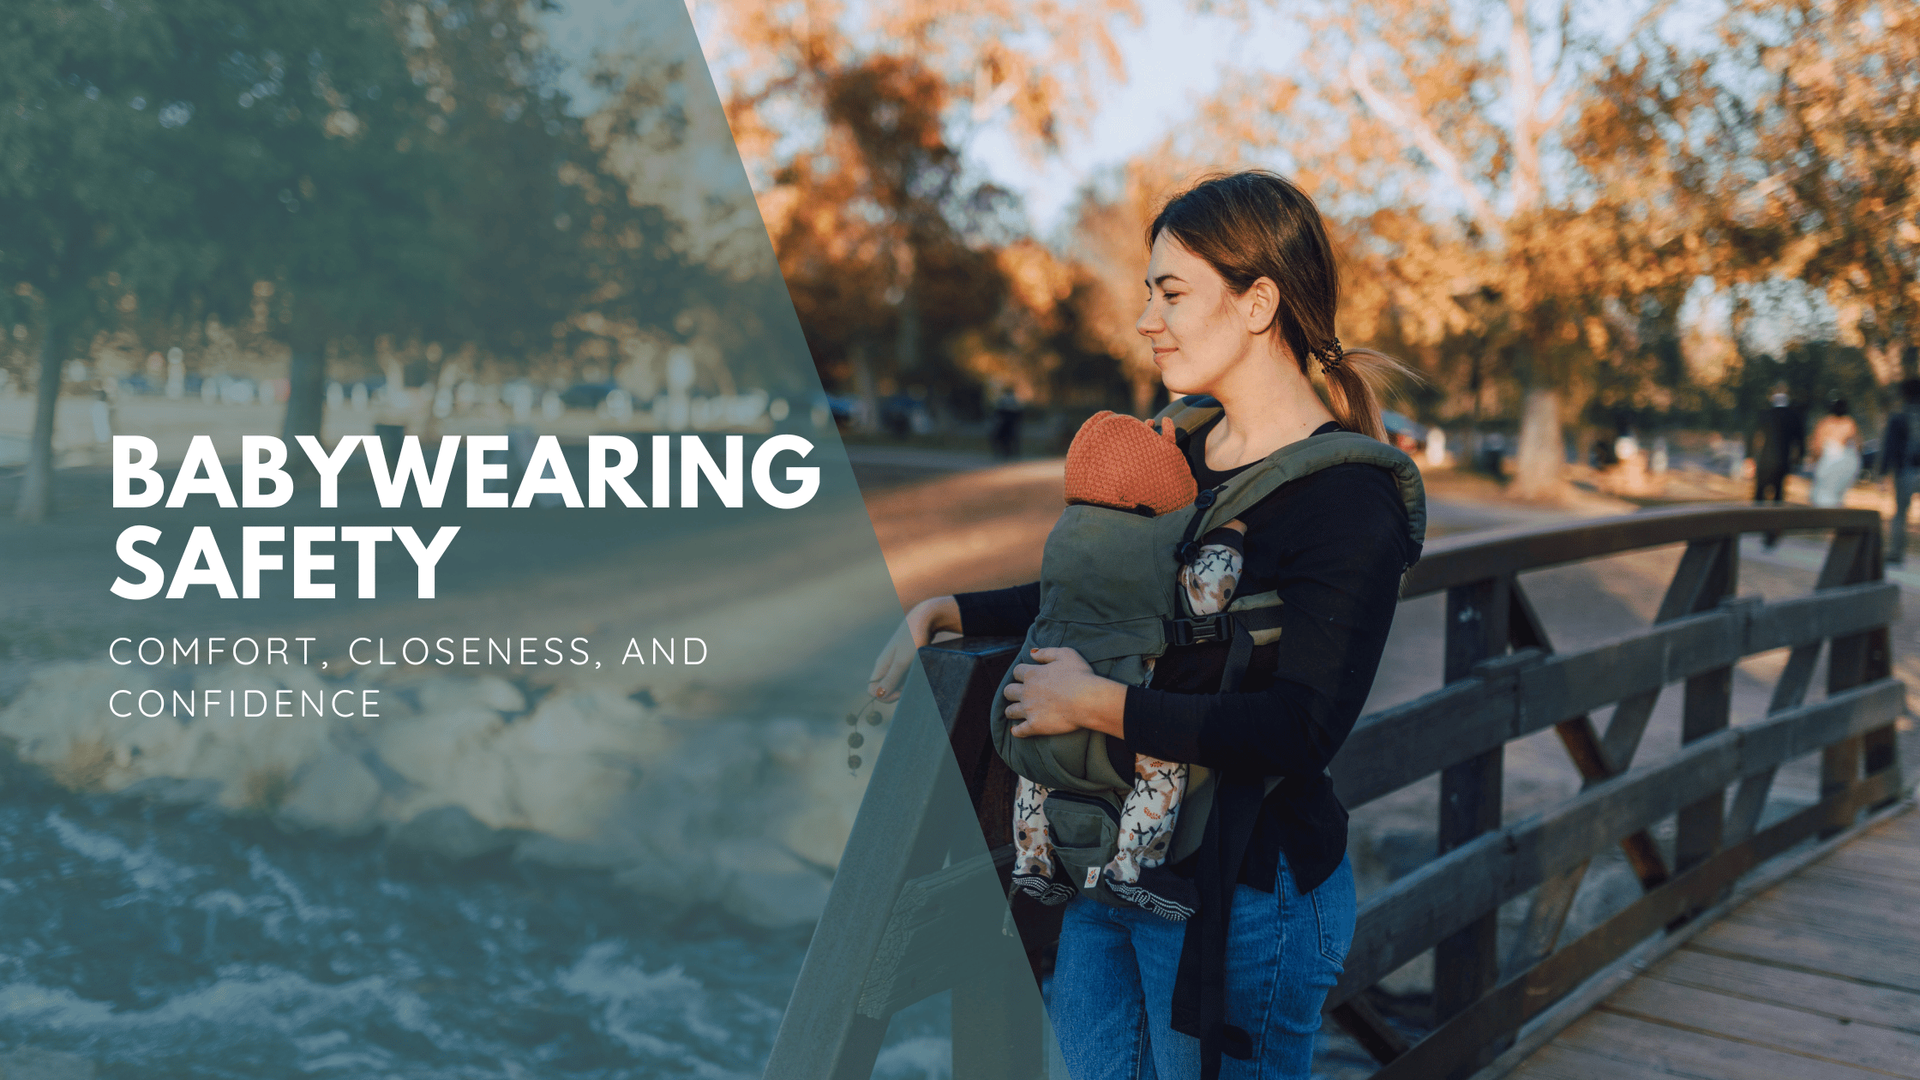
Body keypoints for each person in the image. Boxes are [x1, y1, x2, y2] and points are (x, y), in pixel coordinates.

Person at [869, 171, 1423, 1080]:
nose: (1147, 319)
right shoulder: (1173, 454)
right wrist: (957, 610)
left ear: (1258, 304)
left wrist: (1096, 705)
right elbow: (1109, 599)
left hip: (1247, 892)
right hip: (1113, 869)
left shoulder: (1347, 498)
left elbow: (1303, 725)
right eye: (1148, 293)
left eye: (1172, 293)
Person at [1882, 378, 1920, 564]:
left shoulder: (1899, 416)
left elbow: (1890, 446)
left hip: (1905, 470)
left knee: (1900, 514)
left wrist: (1882, 472)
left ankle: (1896, 553)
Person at [1750, 383, 1806, 504]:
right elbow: (1800, 441)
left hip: (1765, 461)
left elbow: (1753, 436)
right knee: (1778, 498)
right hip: (1783, 461)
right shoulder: (1794, 416)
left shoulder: (1765, 414)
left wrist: (1749, 456)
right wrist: (1799, 460)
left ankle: (1756, 521)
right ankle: (1775, 521)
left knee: (1759, 498)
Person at [1807, 398, 1861, 508]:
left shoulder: (1826, 423)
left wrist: (1814, 461)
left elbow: (1816, 445)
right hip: (1839, 465)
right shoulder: (1849, 423)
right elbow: (1858, 445)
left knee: (1824, 496)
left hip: (1828, 464)